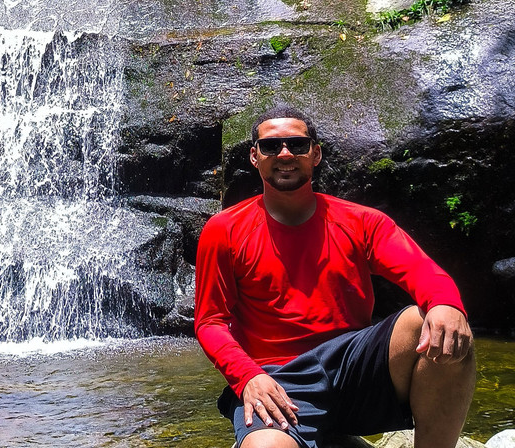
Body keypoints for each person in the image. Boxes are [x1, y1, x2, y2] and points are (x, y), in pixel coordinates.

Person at [194, 104, 475, 448]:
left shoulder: (362, 222)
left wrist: (446, 304)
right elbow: (210, 322)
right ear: (255, 157)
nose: (285, 154)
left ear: (315, 154)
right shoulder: (223, 230)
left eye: (297, 145)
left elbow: (423, 271)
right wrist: (247, 376)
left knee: (436, 322)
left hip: (353, 370)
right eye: (271, 146)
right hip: (278, 380)